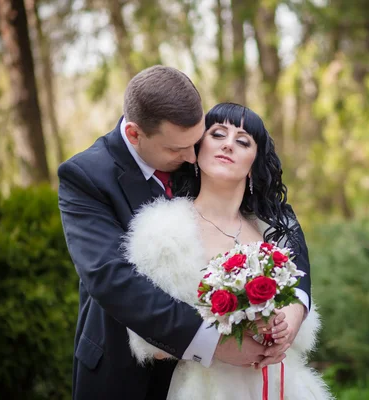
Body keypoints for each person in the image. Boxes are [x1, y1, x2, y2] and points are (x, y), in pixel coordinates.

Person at [57, 66, 311, 400]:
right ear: (135, 135)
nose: (192, 156)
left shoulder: (201, 158)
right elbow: (111, 279)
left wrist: (294, 309)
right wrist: (217, 343)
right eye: (179, 149)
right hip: (125, 372)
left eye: (198, 140)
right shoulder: (86, 177)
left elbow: (286, 234)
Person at [122, 102, 332, 399]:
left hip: (282, 384)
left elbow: (300, 299)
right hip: (206, 388)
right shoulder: (161, 229)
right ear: (196, 150)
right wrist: (228, 332)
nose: (229, 145)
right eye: (218, 134)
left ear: (254, 165)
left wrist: (282, 326)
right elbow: (149, 339)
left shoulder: (272, 229)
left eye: (243, 141)